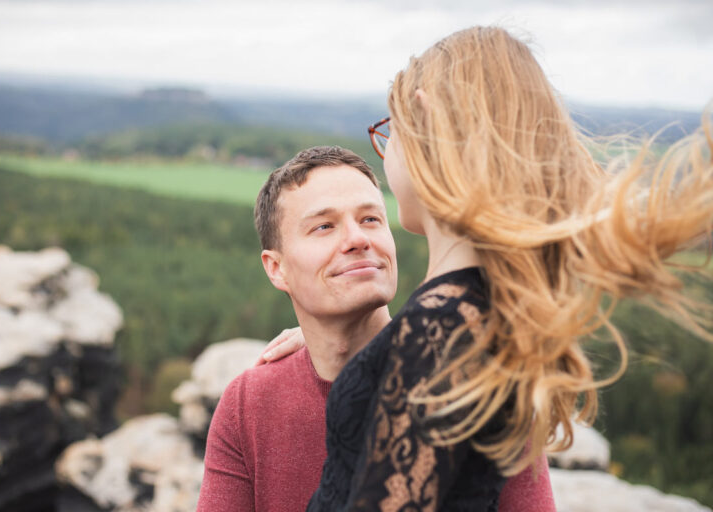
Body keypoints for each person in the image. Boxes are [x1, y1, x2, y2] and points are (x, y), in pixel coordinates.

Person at [306, 26, 713, 511]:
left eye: (391, 130)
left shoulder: (442, 328)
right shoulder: (479, 309)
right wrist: (346, 340)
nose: (387, 150)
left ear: (426, 120)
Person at [196, 146, 555, 511]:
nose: (358, 238)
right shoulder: (249, 402)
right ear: (277, 268)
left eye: (370, 219)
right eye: (324, 226)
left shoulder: (478, 380)